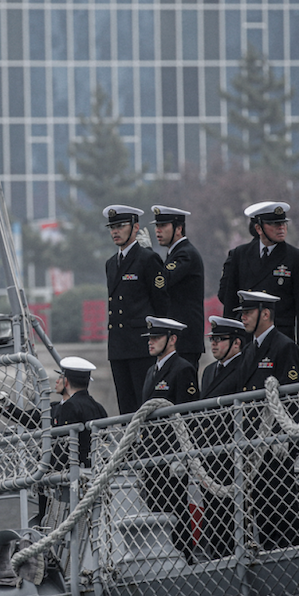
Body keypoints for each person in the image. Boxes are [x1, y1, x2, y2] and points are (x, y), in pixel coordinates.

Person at [236, 290, 299, 550]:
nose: (243, 318)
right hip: (253, 445)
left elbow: (287, 398)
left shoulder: (283, 346)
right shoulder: (251, 349)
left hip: (275, 446)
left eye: (248, 313)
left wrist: (279, 441)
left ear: (265, 314)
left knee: (281, 511)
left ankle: (290, 562)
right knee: (261, 511)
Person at [218, 201, 299, 369]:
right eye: (274, 224)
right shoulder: (239, 255)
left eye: (283, 223)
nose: (281, 228)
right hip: (245, 338)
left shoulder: (297, 258)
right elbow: (227, 298)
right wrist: (228, 336)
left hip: (280, 337)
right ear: (259, 229)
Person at [139, 317, 200, 564]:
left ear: (172, 339)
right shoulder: (151, 371)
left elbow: (188, 416)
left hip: (172, 456)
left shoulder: (182, 369)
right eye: (150, 338)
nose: (151, 342)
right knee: (155, 506)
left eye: (156, 337)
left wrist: (181, 455)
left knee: (175, 507)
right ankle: (161, 557)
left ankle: (185, 555)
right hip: (152, 454)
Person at [103, 205, 169, 415]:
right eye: (112, 227)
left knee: (145, 405)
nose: (115, 231)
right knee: (125, 407)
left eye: (121, 226)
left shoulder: (147, 259)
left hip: (141, 344)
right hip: (118, 345)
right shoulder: (111, 263)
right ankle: (130, 448)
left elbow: (161, 304)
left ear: (135, 227)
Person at [0, 356, 108, 468]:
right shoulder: (98, 407)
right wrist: (8, 406)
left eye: (60, 378)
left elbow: (63, 444)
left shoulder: (69, 407)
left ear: (66, 382)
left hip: (66, 470)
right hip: (93, 465)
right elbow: (32, 418)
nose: (56, 381)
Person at [198, 316, 246, 559]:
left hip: (231, 454)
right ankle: (216, 558)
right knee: (212, 513)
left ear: (236, 343)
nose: (213, 344)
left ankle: (230, 558)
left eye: (219, 340)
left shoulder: (244, 368)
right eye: (212, 339)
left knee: (232, 514)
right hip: (209, 455)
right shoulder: (208, 372)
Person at [151, 205, 205, 371]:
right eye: (157, 226)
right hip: (177, 337)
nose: (158, 231)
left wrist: (148, 255)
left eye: (163, 226)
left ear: (179, 228)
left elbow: (162, 281)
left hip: (185, 339)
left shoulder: (185, 253)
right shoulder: (175, 253)